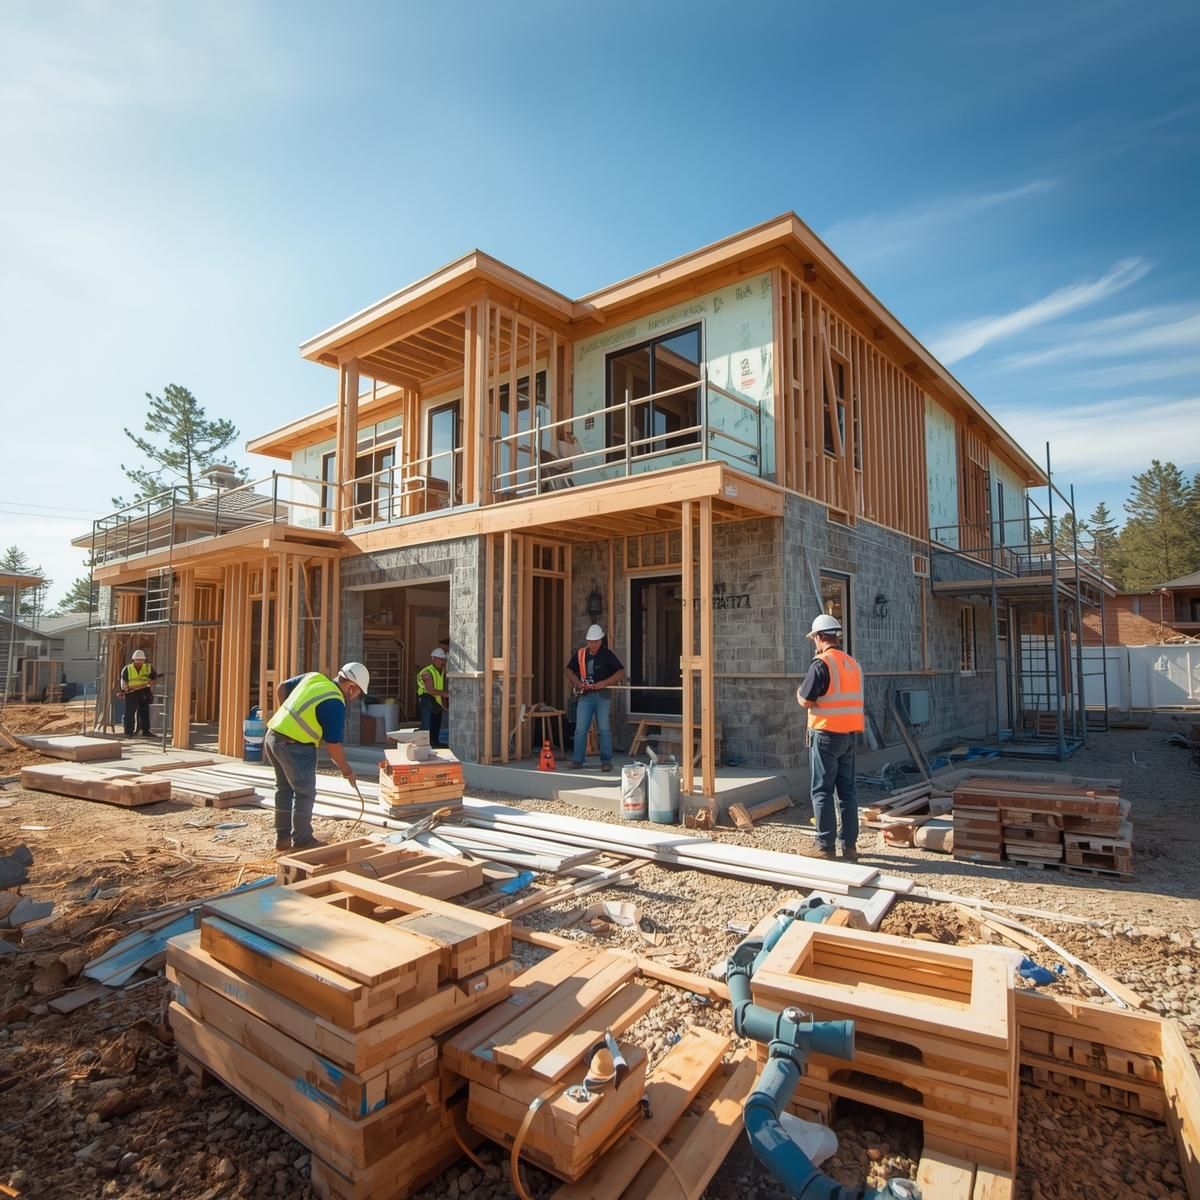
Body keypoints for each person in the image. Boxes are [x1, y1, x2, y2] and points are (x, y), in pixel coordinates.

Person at [264, 662, 368, 853]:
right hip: (295, 746)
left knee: (284, 789)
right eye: (357, 693)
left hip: (273, 736)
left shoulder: (314, 677)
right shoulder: (335, 702)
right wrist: (347, 771)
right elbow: (333, 746)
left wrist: (288, 718)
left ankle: (283, 839)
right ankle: (302, 840)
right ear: (351, 687)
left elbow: (281, 688)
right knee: (305, 793)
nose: (355, 698)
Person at [796, 613, 865, 861]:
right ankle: (850, 846)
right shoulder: (852, 664)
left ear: (820, 636)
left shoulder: (821, 663)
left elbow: (806, 699)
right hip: (848, 736)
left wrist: (797, 693)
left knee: (822, 790)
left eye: (815, 638)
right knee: (847, 791)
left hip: (825, 735)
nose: (815, 642)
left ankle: (824, 846)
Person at [565, 623, 624, 772]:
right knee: (580, 729)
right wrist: (577, 683)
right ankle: (578, 760)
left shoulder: (607, 654)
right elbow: (568, 670)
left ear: (600, 641)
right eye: (590, 642)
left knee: (604, 729)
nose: (593, 645)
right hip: (585, 696)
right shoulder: (581, 654)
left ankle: (606, 761)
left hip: (602, 697)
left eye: (595, 642)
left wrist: (604, 683)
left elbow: (621, 672)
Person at [119, 649, 160, 738]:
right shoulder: (127, 669)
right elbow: (124, 684)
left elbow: (155, 678)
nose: (139, 663)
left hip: (144, 692)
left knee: (144, 712)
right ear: (134, 660)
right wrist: (128, 689)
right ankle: (128, 732)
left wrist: (152, 681)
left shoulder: (148, 667)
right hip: (131, 693)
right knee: (129, 712)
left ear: (144, 660)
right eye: (137, 661)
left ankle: (145, 730)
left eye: (141, 660)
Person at [417, 647, 449, 749]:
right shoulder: (426, 672)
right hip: (426, 699)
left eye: (443, 659)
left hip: (436, 700)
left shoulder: (442, 671)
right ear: (433, 658)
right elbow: (430, 689)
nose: (442, 661)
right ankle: (423, 743)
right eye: (440, 659)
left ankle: (434, 741)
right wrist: (444, 694)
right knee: (427, 723)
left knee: (436, 722)